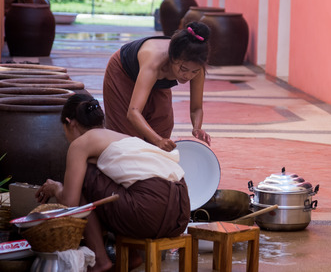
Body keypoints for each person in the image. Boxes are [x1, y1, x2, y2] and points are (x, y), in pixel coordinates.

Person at [36, 94, 190, 272]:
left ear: (71, 123)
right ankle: (131, 257)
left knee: (84, 178)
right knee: (117, 182)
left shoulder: (81, 144)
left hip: (150, 212)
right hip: (181, 214)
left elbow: (71, 203)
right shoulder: (122, 137)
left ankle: (100, 260)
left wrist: (57, 188)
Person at [103, 21, 211, 152]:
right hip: (124, 73)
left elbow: (196, 108)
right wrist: (157, 140)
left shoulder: (197, 67)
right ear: (172, 58)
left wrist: (197, 128)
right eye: (183, 69)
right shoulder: (154, 61)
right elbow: (133, 112)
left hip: (158, 80)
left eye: (194, 72)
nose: (187, 76)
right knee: (128, 139)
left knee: (162, 126)